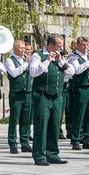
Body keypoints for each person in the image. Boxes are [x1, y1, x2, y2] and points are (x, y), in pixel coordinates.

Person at [29, 33, 73, 166]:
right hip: (42, 95)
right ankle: (39, 155)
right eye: (58, 46)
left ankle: (53, 154)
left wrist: (60, 61)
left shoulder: (60, 58)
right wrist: (47, 60)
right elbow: (33, 72)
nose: (60, 49)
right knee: (41, 126)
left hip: (57, 96)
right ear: (50, 45)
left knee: (55, 126)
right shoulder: (38, 55)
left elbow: (71, 73)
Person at [67, 37, 89, 151]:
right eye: (83, 45)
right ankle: (76, 139)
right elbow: (77, 70)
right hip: (80, 88)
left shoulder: (88, 57)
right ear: (77, 45)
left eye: (87, 45)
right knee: (79, 114)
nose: (85, 47)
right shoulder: (73, 57)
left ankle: (87, 139)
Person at [5, 40, 33, 154]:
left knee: (26, 120)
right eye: (21, 48)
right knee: (14, 119)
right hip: (16, 93)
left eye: (24, 48)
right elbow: (14, 73)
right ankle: (12, 144)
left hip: (27, 93)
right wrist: (26, 63)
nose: (23, 50)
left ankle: (25, 143)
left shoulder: (26, 60)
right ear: (15, 48)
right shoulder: (9, 60)